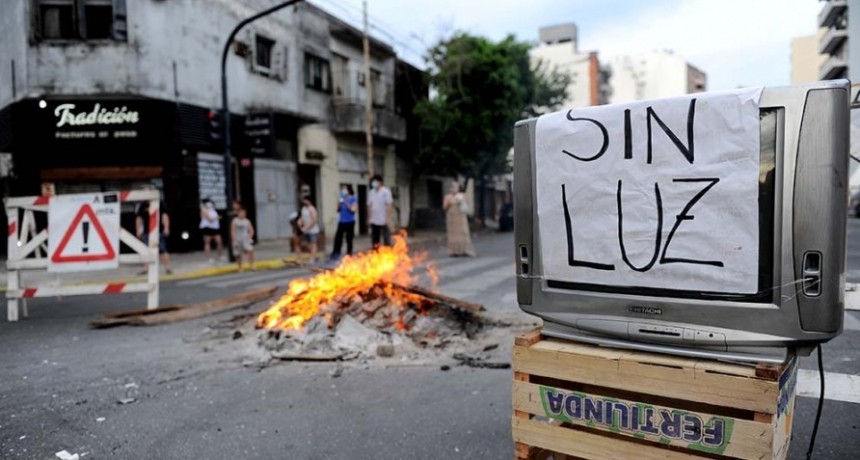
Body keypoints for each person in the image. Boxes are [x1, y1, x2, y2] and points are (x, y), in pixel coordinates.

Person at [136, 200, 174, 274]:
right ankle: (145, 268)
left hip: (158, 230)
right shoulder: (142, 205)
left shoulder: (159, 203)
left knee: (162, 250)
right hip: (147, 232)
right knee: (145, 250)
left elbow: (164, 216)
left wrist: (166, 228)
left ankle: (168, 267)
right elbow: (139, 218)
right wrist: (138, 230)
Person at [443, 181, 476, 257]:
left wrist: (461, 201)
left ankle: (465, 250)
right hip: (452, 217)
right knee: (453, 234)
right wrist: (450, 203)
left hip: (461, 217)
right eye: (453, 187)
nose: (454, 189)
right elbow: (444, 207)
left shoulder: (462, 195)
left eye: (456, 187)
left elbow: (466, 206)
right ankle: (454, 251)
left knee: (463, 232)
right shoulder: (447, 197)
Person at [330, 185, 357, 260]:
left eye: (344, 189)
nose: (343, 190)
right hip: (341, 221)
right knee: (338, 238)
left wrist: (346, 202)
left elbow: (353, 210)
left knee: (349, 239)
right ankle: (336, 252)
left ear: (348, 190)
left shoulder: (353, 198)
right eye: (342, 189)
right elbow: (338, 210)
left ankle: (349, 253)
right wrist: (339, 203)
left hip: (350, 222)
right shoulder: (341, 198)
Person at [367, 174, 393, 249]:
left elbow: (389, 205)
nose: (374, 183)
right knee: (375, 240)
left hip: (384, 220)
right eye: (373, 182)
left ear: (380, 182)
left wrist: (388, 218)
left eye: (375, 181)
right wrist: (368, 219)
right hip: (374, 220)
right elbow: (369, 206)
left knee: (386, 239)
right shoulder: (371, 192)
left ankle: (388, 255)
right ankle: (376, 255)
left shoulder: (386, 191)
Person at [231, 205, 255, 271]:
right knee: (238, 254)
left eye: (244, 213)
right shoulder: (235, 221)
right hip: (238, 239)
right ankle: (240, 267)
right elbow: (233, 231)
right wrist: (234, 240)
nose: (243, 214)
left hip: (245, 239)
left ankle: (251, 266)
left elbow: (251, 230)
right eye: (241, 213)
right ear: (238, 213)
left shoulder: (247, 221)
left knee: (251, 250)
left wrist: (249, 237)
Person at [199, 199, 223, 263]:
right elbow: (210, 219)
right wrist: (217, 217)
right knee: (207, 243)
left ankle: (220, 256)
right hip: (207, 228)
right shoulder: (203, 209)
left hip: (215, 228)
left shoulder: (213, 210)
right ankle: (209, 258)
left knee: (219, 242)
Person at [298, 196, 320, 262]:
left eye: (306, 200)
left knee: (313, 243)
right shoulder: (304, 209)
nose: (304, 202)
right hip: (306, 230)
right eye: (304, 200)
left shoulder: (312, 209)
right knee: (307, 244)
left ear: (309, 201)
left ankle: (312, 258)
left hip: (313, 230)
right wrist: (300, 221)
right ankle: (312, 255)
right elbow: (302, 217)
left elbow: (314, 220)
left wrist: (307, 228)